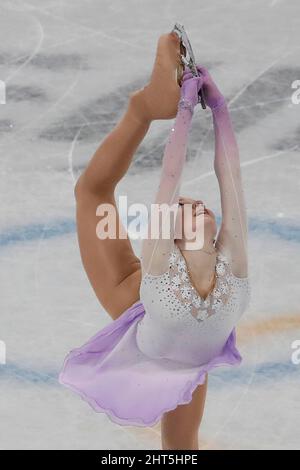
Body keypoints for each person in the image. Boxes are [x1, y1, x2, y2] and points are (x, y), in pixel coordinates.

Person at [59, 31, 251, 450]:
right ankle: (141, 108)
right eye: (182, 207)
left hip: (181, 353)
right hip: (140, 302)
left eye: (194, 204)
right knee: (92, 194)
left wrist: (217, 108)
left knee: (181, 448)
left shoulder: (233, 263)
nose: (196, 203)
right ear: (169, 232)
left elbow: (230, 179)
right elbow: (170, 177)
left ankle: (146, 105)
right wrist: (182, 111)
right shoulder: (160, 264)